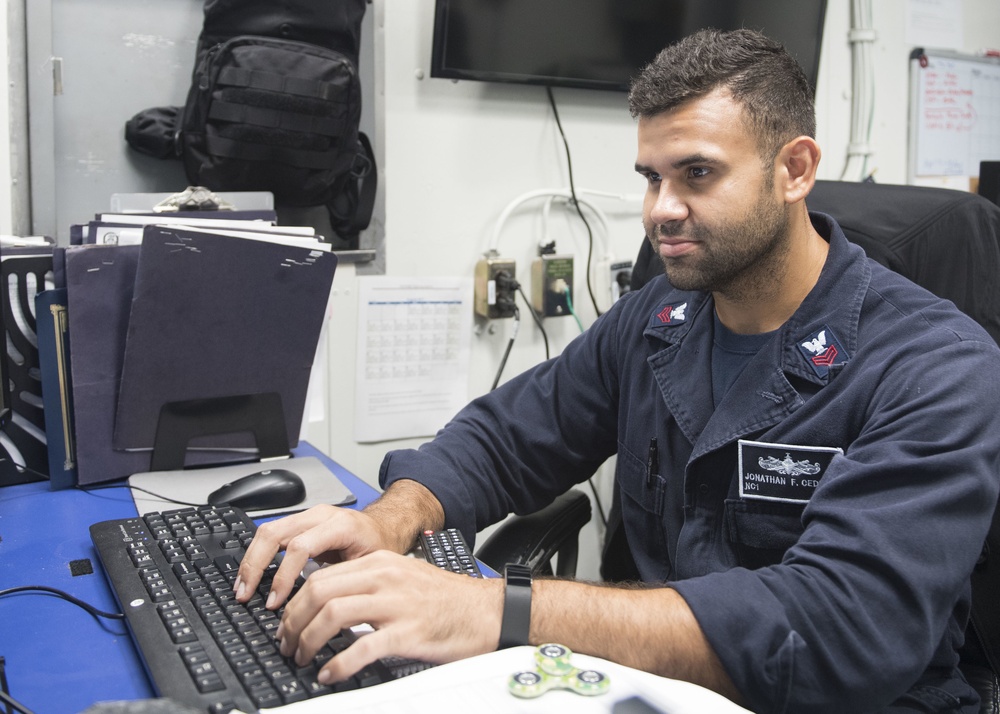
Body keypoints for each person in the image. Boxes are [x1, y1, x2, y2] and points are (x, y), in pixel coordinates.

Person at [236, 28, 1000, 712]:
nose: (660, 209)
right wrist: (389, 518)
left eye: (697, 174)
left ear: (794, 169)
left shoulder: (936, 365)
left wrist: (492, 609)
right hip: (654, 686)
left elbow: (841, 629)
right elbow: (507, 439)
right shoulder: (660, 315)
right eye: (650, 176)